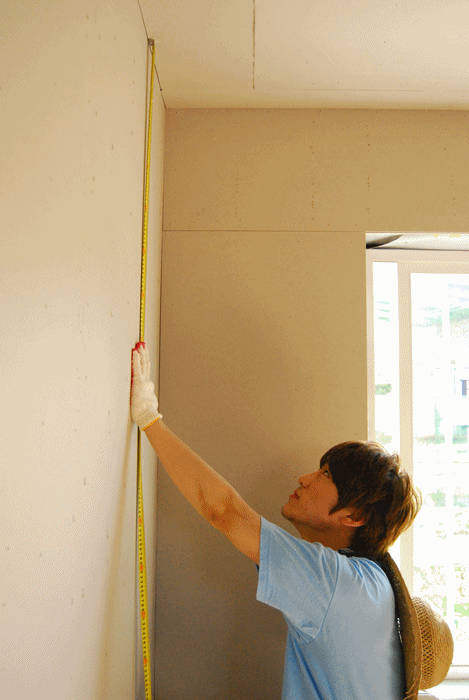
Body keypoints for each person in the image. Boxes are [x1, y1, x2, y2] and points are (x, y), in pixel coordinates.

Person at [130, 342, 423, 700]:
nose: (304, 478)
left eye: (326, 474)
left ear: (355, 516)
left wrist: (149, 418)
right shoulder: (371, 584)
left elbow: (224, 511)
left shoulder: (333, 582)